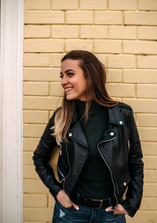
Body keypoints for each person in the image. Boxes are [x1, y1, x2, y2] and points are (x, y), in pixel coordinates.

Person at [33, 50, 144, 223]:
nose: (63, 82)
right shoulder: (62, 116)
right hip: (71, 213)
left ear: (90, 76)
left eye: (70, 74)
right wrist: (58, 192)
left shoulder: (122, 114)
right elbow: (39, 157)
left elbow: (135, 161)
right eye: (61, 76)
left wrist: (131, 204)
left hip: (111, 214)